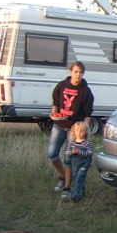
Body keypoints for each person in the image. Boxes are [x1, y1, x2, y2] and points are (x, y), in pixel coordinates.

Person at [48, 62, 94, 199]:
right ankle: (62, 176)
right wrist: (54, 114)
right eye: (76, 72)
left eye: (81, 72)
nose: (78, 75)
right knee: (52, 154)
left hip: (74, 129)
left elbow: (87, 114)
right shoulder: (62, 86)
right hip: (59, 124)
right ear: (70, 72)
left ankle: (67, 188)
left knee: (69, 158)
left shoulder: (86, 91)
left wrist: (84, 130)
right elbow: (56, 103)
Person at [66, 121, 93, 201]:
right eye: (77, 131)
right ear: (74, 131)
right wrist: (72, 152)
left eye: (81, 131)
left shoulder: (87, 143)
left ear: (86, 132)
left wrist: (80, 152)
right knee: (75, 179)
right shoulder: (72, 143)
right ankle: (81, 190)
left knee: (79, 178)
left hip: (84, 164)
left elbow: (90, 153)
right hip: (74, 164)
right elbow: (67, 153)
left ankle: (76, 195)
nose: (79, 133)